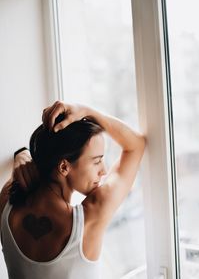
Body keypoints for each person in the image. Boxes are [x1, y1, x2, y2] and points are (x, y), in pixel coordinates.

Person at [0, 101, 146, 279]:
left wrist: (23, 154)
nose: (104, 171)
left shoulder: (7, 200)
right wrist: (88, 111)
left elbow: (36, 158)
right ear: (63, 167)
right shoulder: (90, 216)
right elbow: (136, 145)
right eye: (97, 161)